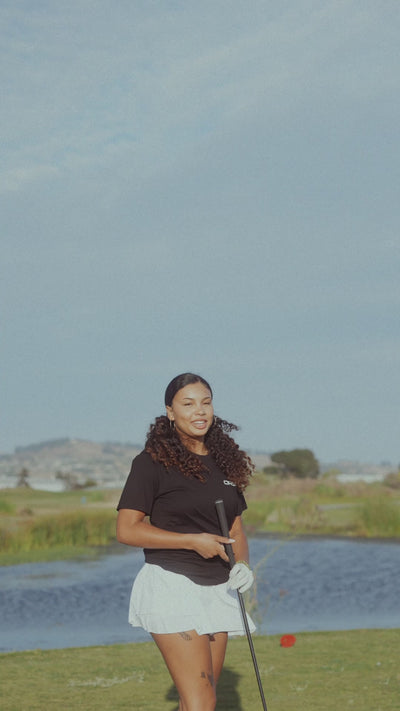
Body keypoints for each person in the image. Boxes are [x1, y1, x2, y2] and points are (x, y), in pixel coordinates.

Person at [116, 372, 255, 711]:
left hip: (217, 589)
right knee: (200, 702)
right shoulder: (151, 464)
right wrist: (191, 541)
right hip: (172, 585)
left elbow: (235, 528)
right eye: (188, 403)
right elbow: (128, 530)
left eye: (206, 402)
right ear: (170, 412)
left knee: (199, 699)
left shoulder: (225, 464)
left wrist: (244, 567)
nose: (200, 411)